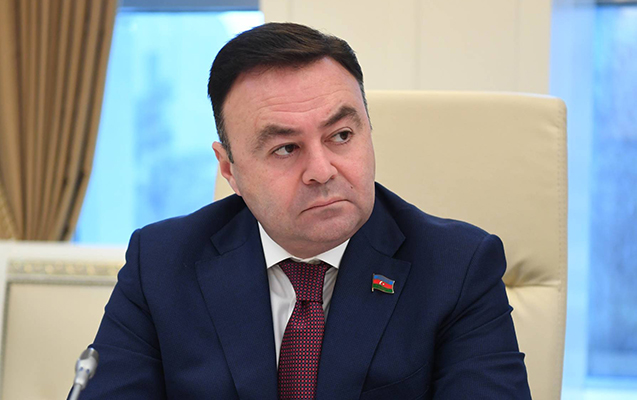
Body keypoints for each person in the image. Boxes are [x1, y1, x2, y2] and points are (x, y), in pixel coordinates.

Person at [80, 22, 531, 399]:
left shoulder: (457, 268)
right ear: (229, 169)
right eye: (285, 148)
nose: (321, 170)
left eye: (341, 136)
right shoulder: (161, 263)